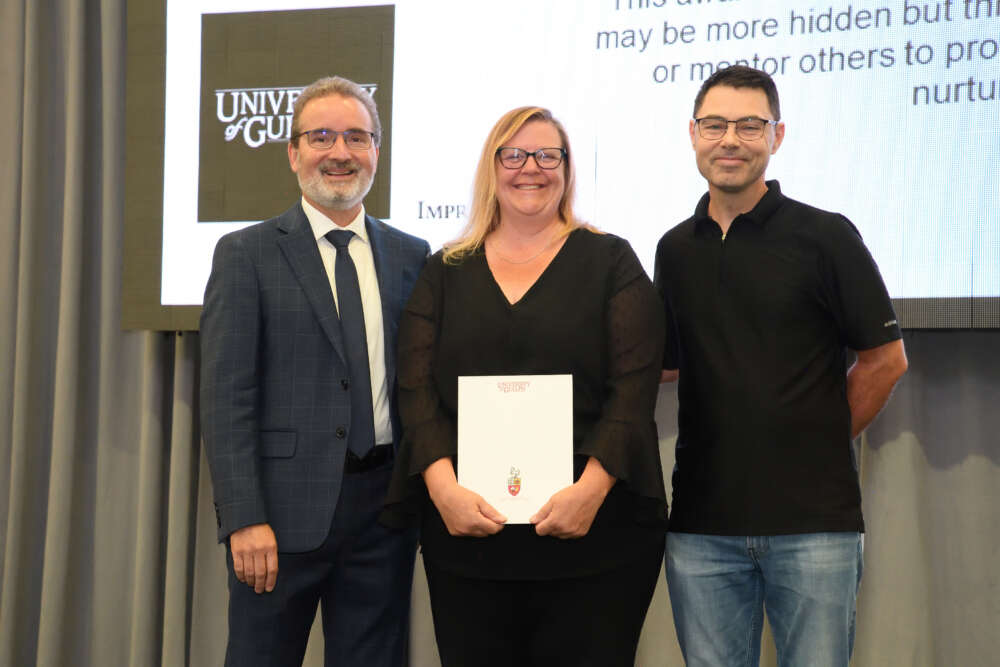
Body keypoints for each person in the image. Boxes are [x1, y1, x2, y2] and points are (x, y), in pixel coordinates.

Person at [382, 106, 667, 667]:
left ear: (566, 168)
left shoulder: (611, 260)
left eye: (547, 155)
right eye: (513, 155)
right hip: (469, 536)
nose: (530, 168)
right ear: (493, 168)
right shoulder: (444, 271)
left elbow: (632, 392)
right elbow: (415, 393)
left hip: (595, 534)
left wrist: (588, 492)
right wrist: (443, 491)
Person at [653, 65, 909, 667]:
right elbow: (666, 367)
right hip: (700, 525)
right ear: (693, 133)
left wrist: (815, 438)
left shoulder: (826, 237)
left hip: (813, 525)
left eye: (750, 125)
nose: (731, 140)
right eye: (715, 125)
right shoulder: (674, 249)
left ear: (778, 135)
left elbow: (885, 361)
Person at [200, 75, 430, 667]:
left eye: (357, 137)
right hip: (278, 520)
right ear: (293, 152)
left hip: (384, 514)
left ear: (377, 150)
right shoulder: (245, 254)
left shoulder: (412, 255)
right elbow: (228, 398)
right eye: (321, 136)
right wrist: (244, 517)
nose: (340, 152)